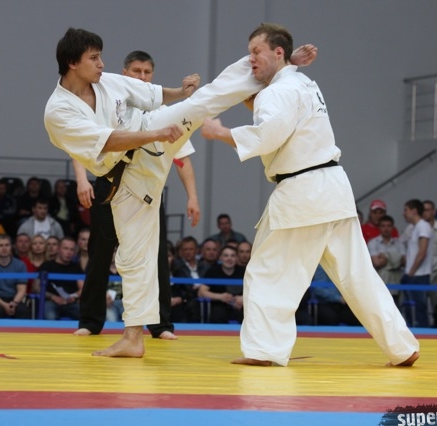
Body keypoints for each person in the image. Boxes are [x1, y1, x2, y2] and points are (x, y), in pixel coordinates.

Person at [45, 28, 316, 357]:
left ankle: (279, 65)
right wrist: (156, 134)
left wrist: (180, 92)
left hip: (148, 137)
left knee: (202, 101)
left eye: (101, 57)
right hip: (126, 177)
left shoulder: (107, 82)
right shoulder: (58, 112)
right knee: (133, 257)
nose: (102, 64)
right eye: (94, 58)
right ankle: (133, 338)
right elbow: (108, 141)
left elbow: (152, 95)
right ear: (72, 63)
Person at [200, 23, 418, 366]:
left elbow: (267, 135)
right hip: (333, 187)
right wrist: (290, 63)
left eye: (256, 52)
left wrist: (220, 132)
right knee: (358, 276)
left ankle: (264, 350)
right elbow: (280, 120)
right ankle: (402, 346)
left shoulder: (278, 91)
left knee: (268, 272)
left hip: (302, 192)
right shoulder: (304, 83)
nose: (250, 59)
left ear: (278, 52)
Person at [71, 49, 202, 340]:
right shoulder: (108, 103)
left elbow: (182, 158)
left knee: (156, 255)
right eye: (136, 72)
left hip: (148, 191)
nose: (142, 77)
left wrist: (192, 196)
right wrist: (81, 180)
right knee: (99, 252)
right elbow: (81, 144)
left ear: (153, 77)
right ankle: (90, 320)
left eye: (147, 73)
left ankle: (161, 324)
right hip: (109, 184)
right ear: (125, 74)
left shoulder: (162, 113)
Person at [0, 234, 31, 319]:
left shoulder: (20, 265)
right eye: (0, 245)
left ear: (11, 247)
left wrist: (14, 303)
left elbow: (22, 290)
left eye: (7, 245)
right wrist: (4, 305)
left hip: (15, 299)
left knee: (24, 311)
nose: (4, 248)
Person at [400, 199, 432, 328]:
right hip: (414, 273)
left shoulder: (423, 226)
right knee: (411, 309)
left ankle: (423, 333)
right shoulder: (414, 228)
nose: (403, 213)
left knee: (419, 309)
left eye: (406, 210)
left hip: (419, 275)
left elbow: (422, 251)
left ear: (414, 211)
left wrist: (411, 272)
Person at [34, 237, 83, 320]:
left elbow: (83, 288)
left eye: (71, 250)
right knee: (50, 316)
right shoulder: (46, 266)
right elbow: (36, 287)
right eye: (66, 249)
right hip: (51, 301)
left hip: (71, 302)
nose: (69, 252)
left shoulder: (76, 267)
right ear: (59, 249)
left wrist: (74, 296)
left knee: (86, 315)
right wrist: (53, 297)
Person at [198, 245, 244, 324]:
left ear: (237, 258)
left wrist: (243, 298)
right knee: (217, 314)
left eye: (232, 256)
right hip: (219, 305)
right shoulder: (212, 271)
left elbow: (256, 290)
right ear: (220, 258)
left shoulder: (244, 271)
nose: (229, 258)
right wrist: (220, 297)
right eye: (226, 255)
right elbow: (201, 292)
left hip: (241, 305)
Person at [368, 215, 405, 305]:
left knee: (397, 308)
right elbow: (377, 263)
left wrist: (386, 256)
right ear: (379, 227)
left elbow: (404, 261)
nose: (386, 229)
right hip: (379, 283)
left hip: (397, 283)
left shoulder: (399, 243)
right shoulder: (373, 243)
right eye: (383, 226)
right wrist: (395, 259)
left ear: (392, 227)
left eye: (389, 226)